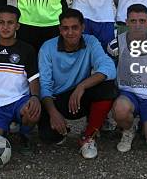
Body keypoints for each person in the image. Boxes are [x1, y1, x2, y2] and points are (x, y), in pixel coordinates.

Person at [38, 9, 117, 159]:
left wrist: (82, 86)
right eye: (65, 28)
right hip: (57, 100)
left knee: (108, 87)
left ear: (82, 28)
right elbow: (45, 86)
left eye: (75, 27)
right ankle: (62, 127)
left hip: (80, 96)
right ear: (60, 29)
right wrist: (53, 113)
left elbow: (109, 68)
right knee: (49, 137)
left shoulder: (91, 42)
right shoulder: (47, 48)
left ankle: (88, 136)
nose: (70, 32)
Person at [0, 5, 40, 151]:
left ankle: (23, 133)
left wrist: (35, 97)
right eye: (2, 22)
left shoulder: (27, 49)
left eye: (10, 23)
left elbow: (33, 79)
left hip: (19, 101)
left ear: (17, 25)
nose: (6, 27)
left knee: (33, 112)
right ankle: (6, 127)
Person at [111, 4, 147, 152]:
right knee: (120, 108)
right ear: (126, 22)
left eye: (142, 21)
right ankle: (128, 129)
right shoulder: (116, 44)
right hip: (128, 94)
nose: (137, 25)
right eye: (133, 21)